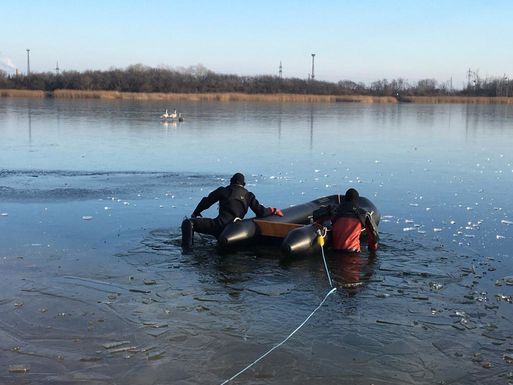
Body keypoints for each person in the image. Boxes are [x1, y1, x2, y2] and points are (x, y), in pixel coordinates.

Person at [181, 173, 283, 249]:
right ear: (244, 184)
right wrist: (273, 210)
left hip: (219, 226)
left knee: (188, 223)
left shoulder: (223, 190)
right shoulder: (248, 195)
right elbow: (261, 212)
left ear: (231, 181)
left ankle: (188, 251)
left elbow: (207, 202)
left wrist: (196, 212)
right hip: (235, 229)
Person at [330, 188, 379, 253]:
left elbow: (316, 216)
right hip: (354, 253)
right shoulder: (362, 214)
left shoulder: (334, 211)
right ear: (357, 201)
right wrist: (372, 249)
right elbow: (373, 236)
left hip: (336, 253)